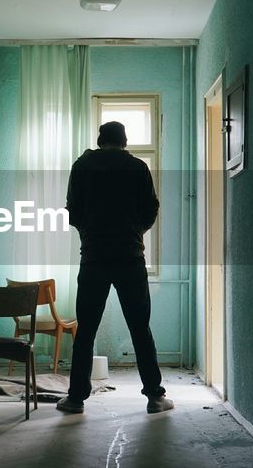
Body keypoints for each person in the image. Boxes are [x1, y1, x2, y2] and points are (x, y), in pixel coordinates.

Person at [57, 121, 173, 414]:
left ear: (100, 140)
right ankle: (154, 397)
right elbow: (151, 209)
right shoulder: (137, 168)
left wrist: (90, 232)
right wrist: (134, 232)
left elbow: (72, 211)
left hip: (94, 256)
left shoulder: (82, 166)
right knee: (139, 328)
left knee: (86, 331)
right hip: (129, 257)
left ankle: (76, 398)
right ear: (124, 140)